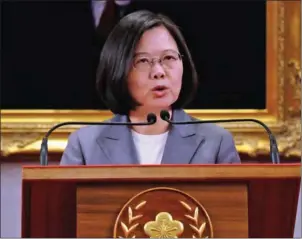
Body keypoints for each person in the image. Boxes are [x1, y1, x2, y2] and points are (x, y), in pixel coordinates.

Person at [60, 10, 241, 165]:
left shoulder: (216, 143)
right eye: (143, 61)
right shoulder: (85, 146)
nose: (159, 72)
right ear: (118, 68)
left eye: (169, 58)